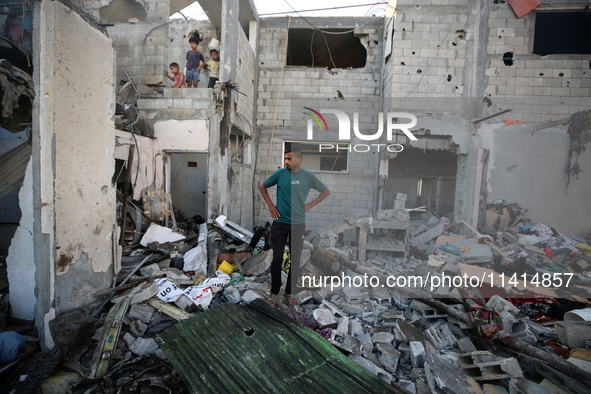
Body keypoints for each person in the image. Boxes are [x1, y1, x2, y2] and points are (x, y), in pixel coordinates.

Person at [259, 147, 330, 309]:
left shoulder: (308, 176)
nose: (286, 162)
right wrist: (270, 205)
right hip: (280, 223)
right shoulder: (280, 174)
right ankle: (274, 292)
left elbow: (326, 191)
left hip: (298, 224)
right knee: (277, 257)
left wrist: (310, 205)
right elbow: (262, 185)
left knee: (295, 260)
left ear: (299, 160)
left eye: (290, 159)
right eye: (285, 158)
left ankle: (290, 291)